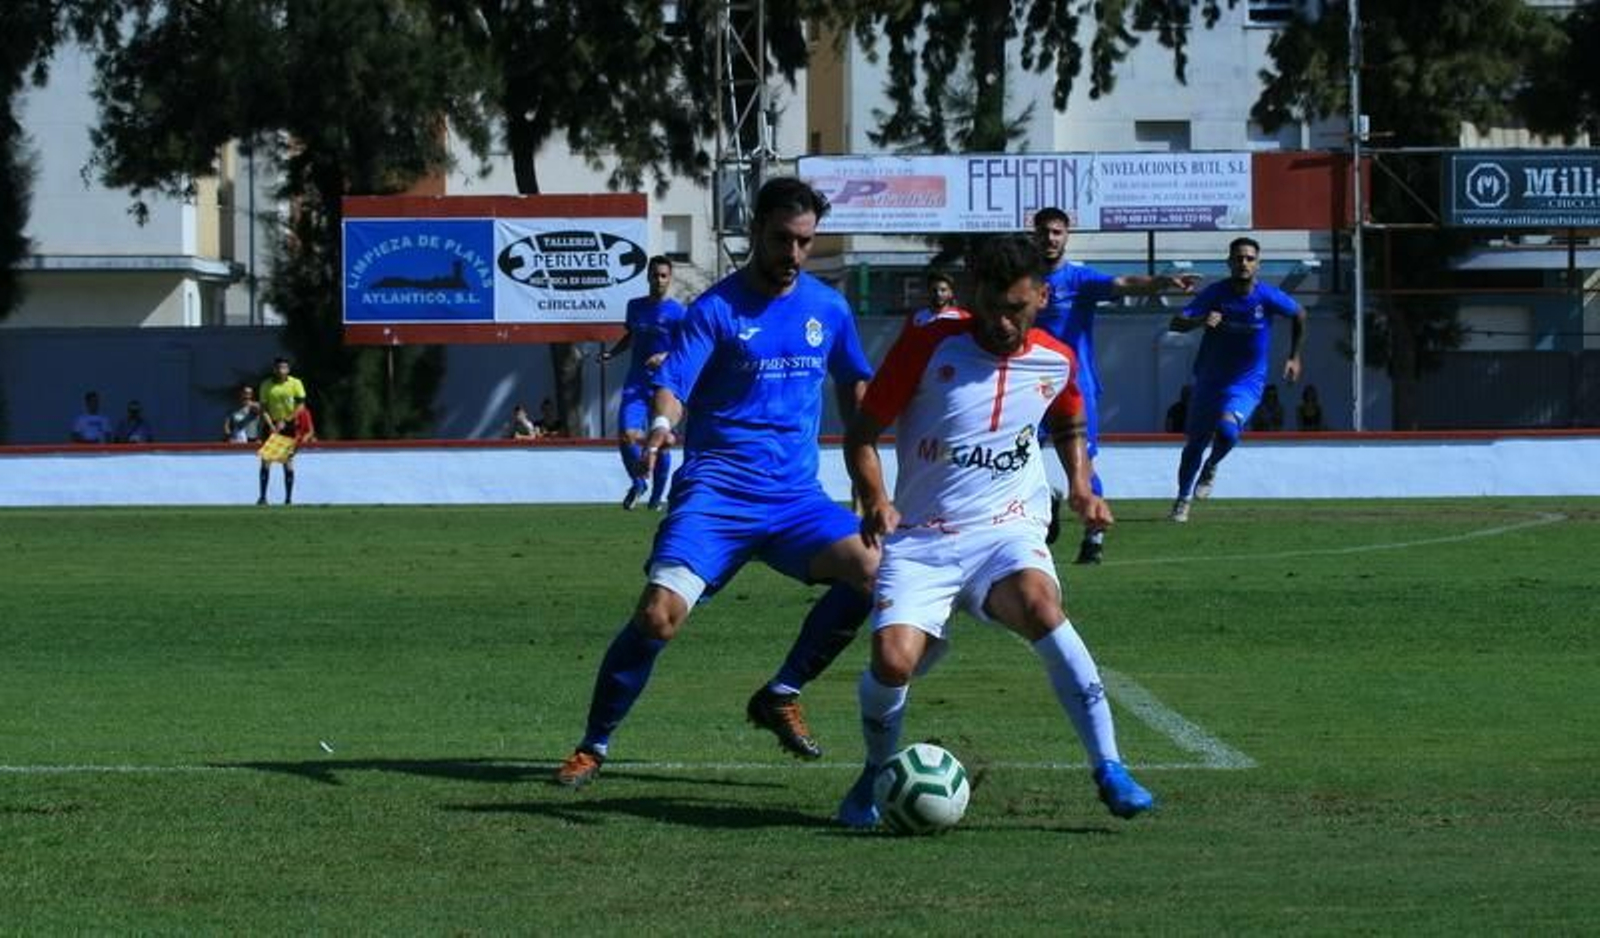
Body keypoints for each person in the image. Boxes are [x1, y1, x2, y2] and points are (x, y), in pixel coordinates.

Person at [554, 176, 878, 788]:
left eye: (806, 242)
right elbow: (674, 381)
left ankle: (781, 691)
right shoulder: (715, 310)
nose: (794, 254)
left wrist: (869, 473)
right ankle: (593, 746)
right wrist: (659, 426)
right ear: (755, 230)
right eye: (782, 239)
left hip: (796, 501)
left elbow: (854, 383)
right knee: (657, 616)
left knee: (875, 572)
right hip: (717, 497)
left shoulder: (828, 308)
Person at [836, 235, 1155, 828]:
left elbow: (1070, 417)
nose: (1003, 321)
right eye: (992, 307)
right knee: (893, 659)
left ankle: (1110, 766)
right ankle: (874, 777)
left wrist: (1081, 485)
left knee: (1040, 604)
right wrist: (877, 498)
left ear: (1041, 297)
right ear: (973, 295)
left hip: (1005, 530)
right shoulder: (929, 344)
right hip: (923, 539)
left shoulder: (1054, 357)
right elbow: (863, 430)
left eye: (1017, 308)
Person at [1032, 207, 1199, 564]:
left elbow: (1123, 284)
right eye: (1045, 232)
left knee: (1083, 465)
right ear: (1035, 235)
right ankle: (1043, 504)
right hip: (1028, 387)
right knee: (1013, 458)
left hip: (1075, 388)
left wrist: (1163, 282)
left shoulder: (1079, 279)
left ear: (1066, 236)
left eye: (1057, 232)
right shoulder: (1024, 280)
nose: (1050, 238)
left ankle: (1093, 538)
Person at [1166, 237, 1306, 522]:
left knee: (1228, 431)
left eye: (1250, 258)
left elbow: (1300, 313)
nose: (1244, 263)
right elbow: (1176, 323)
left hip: (1246, 382)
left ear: (1258, 264)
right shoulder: (1215, 294)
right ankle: (1183, 499)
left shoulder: (1267, 296)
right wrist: (1200, 320)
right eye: (1239, 258)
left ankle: (1212, 465)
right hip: (1208, 380)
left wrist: (1294, 357)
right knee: (1195, 444)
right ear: (1229, 262)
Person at [600, 255, 687, 510]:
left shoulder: (678, 312)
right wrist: (613, 353)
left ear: (669, 279)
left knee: (660, 440)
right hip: (636, 382)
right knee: (626, 436)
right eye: (655, 274)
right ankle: (639, 483)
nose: (658, 279)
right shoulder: (635, 306)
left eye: (663, 275)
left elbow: (686, 347)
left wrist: (664, 356)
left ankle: (657, 498)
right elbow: (632, 336)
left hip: (664, 385)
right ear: (647, 276)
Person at [258, 357, 308, 506]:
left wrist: (286, 420)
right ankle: (262, 497)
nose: (281, 370)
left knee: (287, 461)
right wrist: (271, 425)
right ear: (274, 369)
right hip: (271, 425)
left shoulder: (295, 383)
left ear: (288, 369)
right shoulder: (266, 385)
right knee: (266, 461)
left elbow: (301, 406)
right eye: (278, 368)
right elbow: (263, 408)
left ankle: (288, 499)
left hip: (288, 425)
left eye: (284, 368)